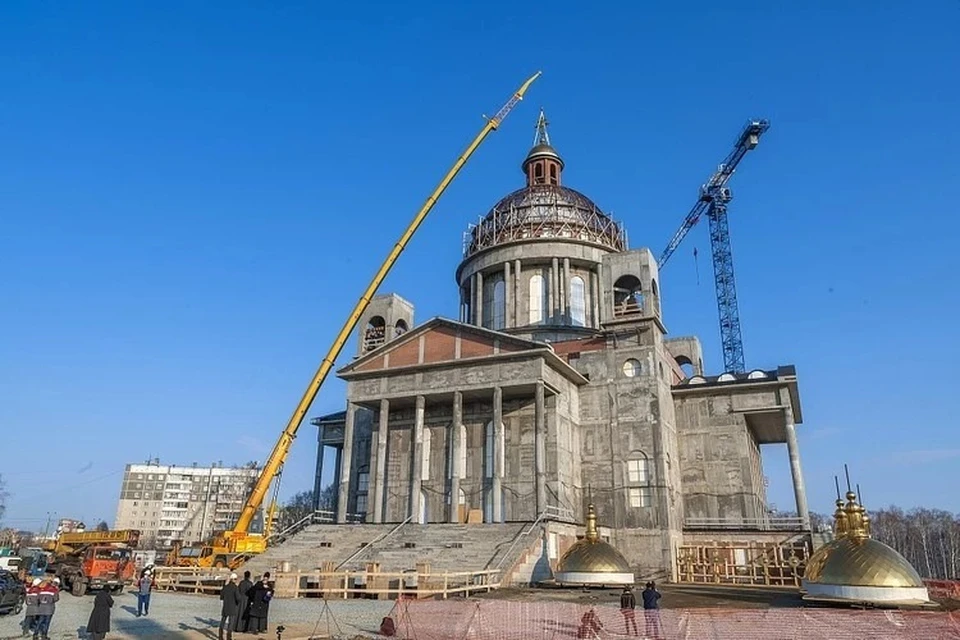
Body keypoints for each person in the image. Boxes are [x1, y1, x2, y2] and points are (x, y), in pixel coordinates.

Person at [219, 573, 242, 640]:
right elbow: (238, 598)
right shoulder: (235, 587)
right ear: (233, 580)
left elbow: (221, 597)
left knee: (222, 621)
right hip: (232, 607)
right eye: (235, 579)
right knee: (230, 623)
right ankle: (229, 638)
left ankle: (220, 636)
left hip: (225, 606)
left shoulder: (225, 587)